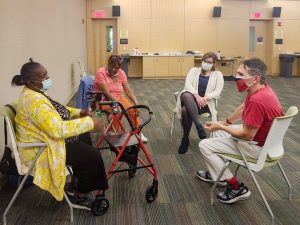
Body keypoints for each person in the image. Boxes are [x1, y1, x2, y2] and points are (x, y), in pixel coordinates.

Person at [11, 58, 108, 210]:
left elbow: (59, 110)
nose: (48, 79)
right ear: (30, 82)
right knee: (92, 155)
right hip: (40, 150)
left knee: (83, 137)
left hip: (45, 139)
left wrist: (80, 112)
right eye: (43, 77)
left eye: (47, 75)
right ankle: (81, 195)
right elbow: (58, 130)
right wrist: (91, 123)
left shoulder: (34, 93)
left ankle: (77, 181)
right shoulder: (34, 102)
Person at [197, 58, 284, 203]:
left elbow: (247, 135)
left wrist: (221, 126)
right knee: (217, 132)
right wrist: (225, 123)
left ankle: (237, 188)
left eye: (241, 74)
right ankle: (218, 174)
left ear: (255, 78)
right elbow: (244, 106)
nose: (236, 77)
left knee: (204, 145)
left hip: (258, 148)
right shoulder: (262, 89)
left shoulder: (258, 101)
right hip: (267, 142)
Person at [174, 52, 224, 154]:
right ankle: (198, 125)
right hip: (191, 101)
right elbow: (187, 84)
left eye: (209, 62)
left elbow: (217, 91)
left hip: (205, 104)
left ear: (214, 64)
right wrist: (197, 96)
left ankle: (185, 138)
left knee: (184, 110)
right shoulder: (194, 71)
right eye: (204, 61)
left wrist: (205, 97)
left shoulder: (217, 75)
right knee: (186, 94)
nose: (206, 63)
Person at [93, 54, 148, 142]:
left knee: (133, 110)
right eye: (111, 66)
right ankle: (113, 132)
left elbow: (128, 90)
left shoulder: (121, 73)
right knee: (118, 111)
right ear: (108, 64)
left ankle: (137, 132)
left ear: (119, 68)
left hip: (119, 98)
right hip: (104, 100)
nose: (113, 70)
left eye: (116, 68)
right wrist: (119, 104)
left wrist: (136, 104)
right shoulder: (100, 73)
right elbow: (107, 93)